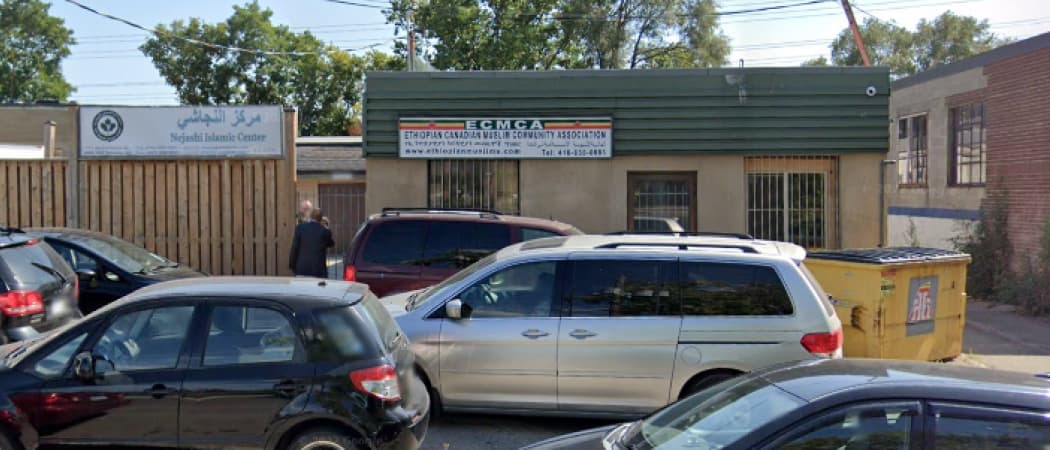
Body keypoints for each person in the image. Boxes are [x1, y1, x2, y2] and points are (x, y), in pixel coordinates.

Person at [289, 208, 334, 278]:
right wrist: (327, 228)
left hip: (302, 269)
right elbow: (331, 244)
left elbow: (294, 248)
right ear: (321, 218)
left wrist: (292, 265)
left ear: (310, 216)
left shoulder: (300, 228)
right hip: (318, 272)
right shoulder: (325, 231)